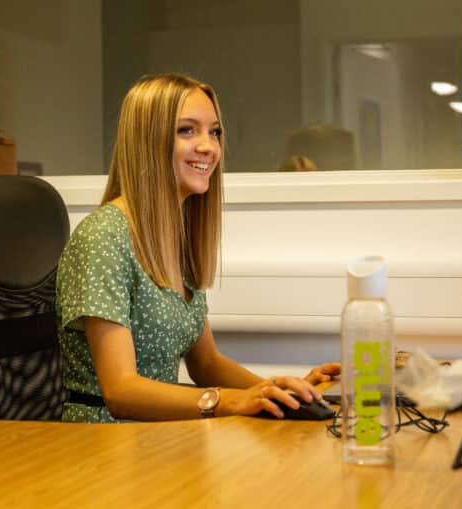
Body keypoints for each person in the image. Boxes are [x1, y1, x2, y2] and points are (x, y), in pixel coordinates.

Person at [56, 73, 340, 422]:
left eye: (214, 132)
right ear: (148, 140)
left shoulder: (175, 238)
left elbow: (206, 363)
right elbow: (121, 390)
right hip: (103, 444)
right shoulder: (103, 238)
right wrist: (230, 401)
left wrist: (276, 392)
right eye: (187, 130)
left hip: (158, 438)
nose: (208, 146)